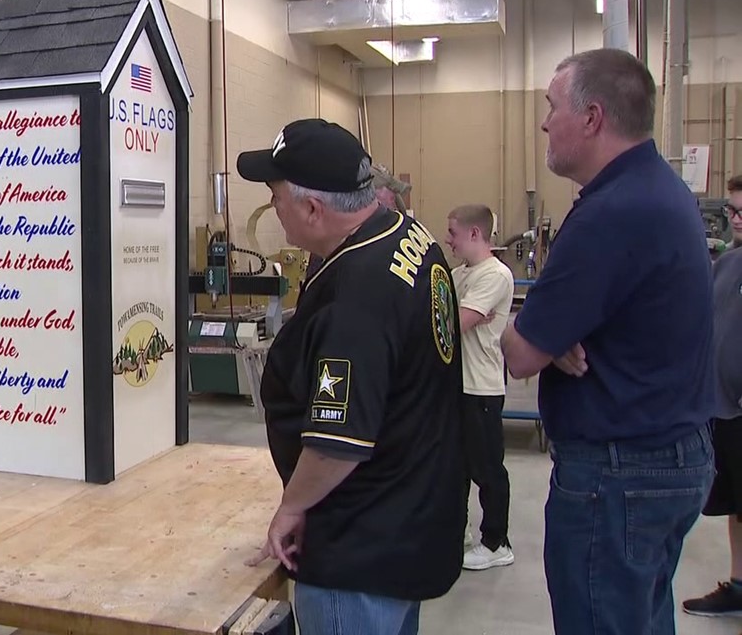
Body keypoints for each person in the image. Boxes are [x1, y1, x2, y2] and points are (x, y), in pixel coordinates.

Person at [500, 48, 715, 635]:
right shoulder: (657, 191)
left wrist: (537, 331)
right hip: (666, 457)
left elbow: (520, 353)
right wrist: (558, 332)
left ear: (591, 118)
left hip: (620, 474)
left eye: (551, 107)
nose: (545, 123)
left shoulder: (610, 213)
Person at [239, 118, 466, 635]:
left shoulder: (356, 299)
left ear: (313, 209)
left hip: (361, 551)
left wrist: (291, 508)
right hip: (411, 518)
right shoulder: (406, 233)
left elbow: (338, 442)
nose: (273, 209)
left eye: (275, 197)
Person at [682, 174, 742, 619]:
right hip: (723, 411)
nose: (735, 221)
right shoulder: (728, 265)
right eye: (733, 212)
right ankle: (739, 584)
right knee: (736, 507)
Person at [444, 204, 515, 571]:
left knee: (487, 469)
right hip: (457, 388)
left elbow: (454, 324)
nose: (448, 240)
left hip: (481, 389)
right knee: (455, 466)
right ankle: (459, 532)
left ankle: (496, 541)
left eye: (453, 233)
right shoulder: (458, 275)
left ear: (474, 234)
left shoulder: (496, 275)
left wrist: (452, 316)